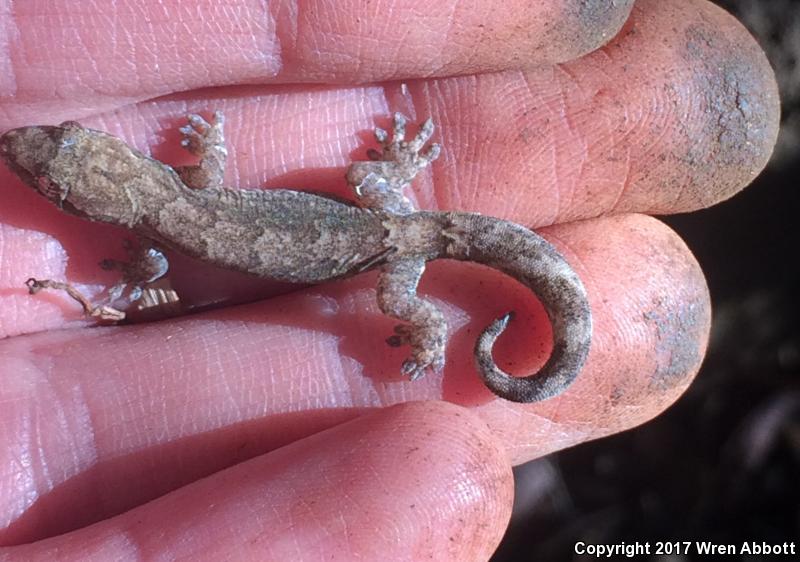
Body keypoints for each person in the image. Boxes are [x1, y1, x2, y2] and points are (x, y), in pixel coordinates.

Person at [0, 0, 779, 559]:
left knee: (395, 300)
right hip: (388, 214)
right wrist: (219, 152)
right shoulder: (184, 189)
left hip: (394, 241)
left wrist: (140, 276)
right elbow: (194, 190)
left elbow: (152, 266)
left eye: (64, 143)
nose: (43, 146)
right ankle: (422, 257)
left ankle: (437, 323)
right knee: (387, 269)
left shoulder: (152, 232)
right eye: (58, 168)